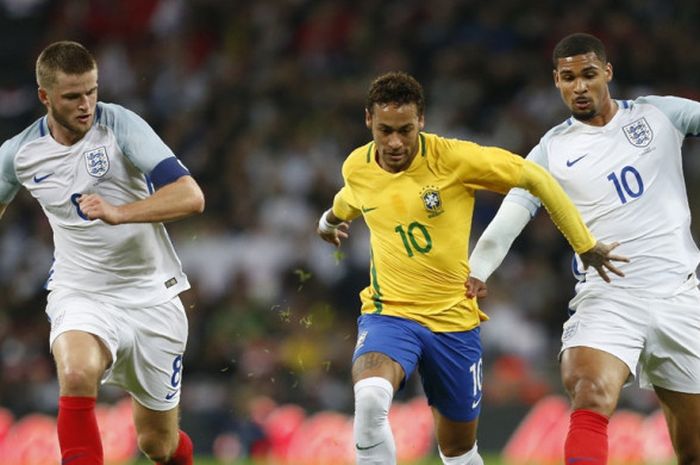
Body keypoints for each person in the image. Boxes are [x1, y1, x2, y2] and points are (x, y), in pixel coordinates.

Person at [316, 71, 623, 465]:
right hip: (388, 314)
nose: (395, 142)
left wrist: (585, 243)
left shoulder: (454, 159)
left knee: (458, 449)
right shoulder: (356, 166)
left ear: (422, 121)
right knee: (371, 397)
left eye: (405, 130)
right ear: (368, 122)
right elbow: (350, 198)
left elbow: (535, 177)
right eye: (385, 130)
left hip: (453, 323)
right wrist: (328, 222)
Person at [468, 32, 700, 465]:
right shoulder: (550, 152)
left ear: (607, 73)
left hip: (680, 297)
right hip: (610, 296)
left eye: (589, 75)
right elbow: (507, 221)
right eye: (568, 77)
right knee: (589, 392)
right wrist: (477, 271)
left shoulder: (659, 114)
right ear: (556, 81)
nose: (579, 86)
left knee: (693, 450)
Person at [0, 41, 204, 465]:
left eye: (91, 91)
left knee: (158, 445)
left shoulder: (120, 125)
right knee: (75, 374)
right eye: (72, 96)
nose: (86, 104)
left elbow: (190, 196)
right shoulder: (17, 154)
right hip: (81, 293)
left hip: (153, 298)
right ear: (45, 97)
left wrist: (119, 212)